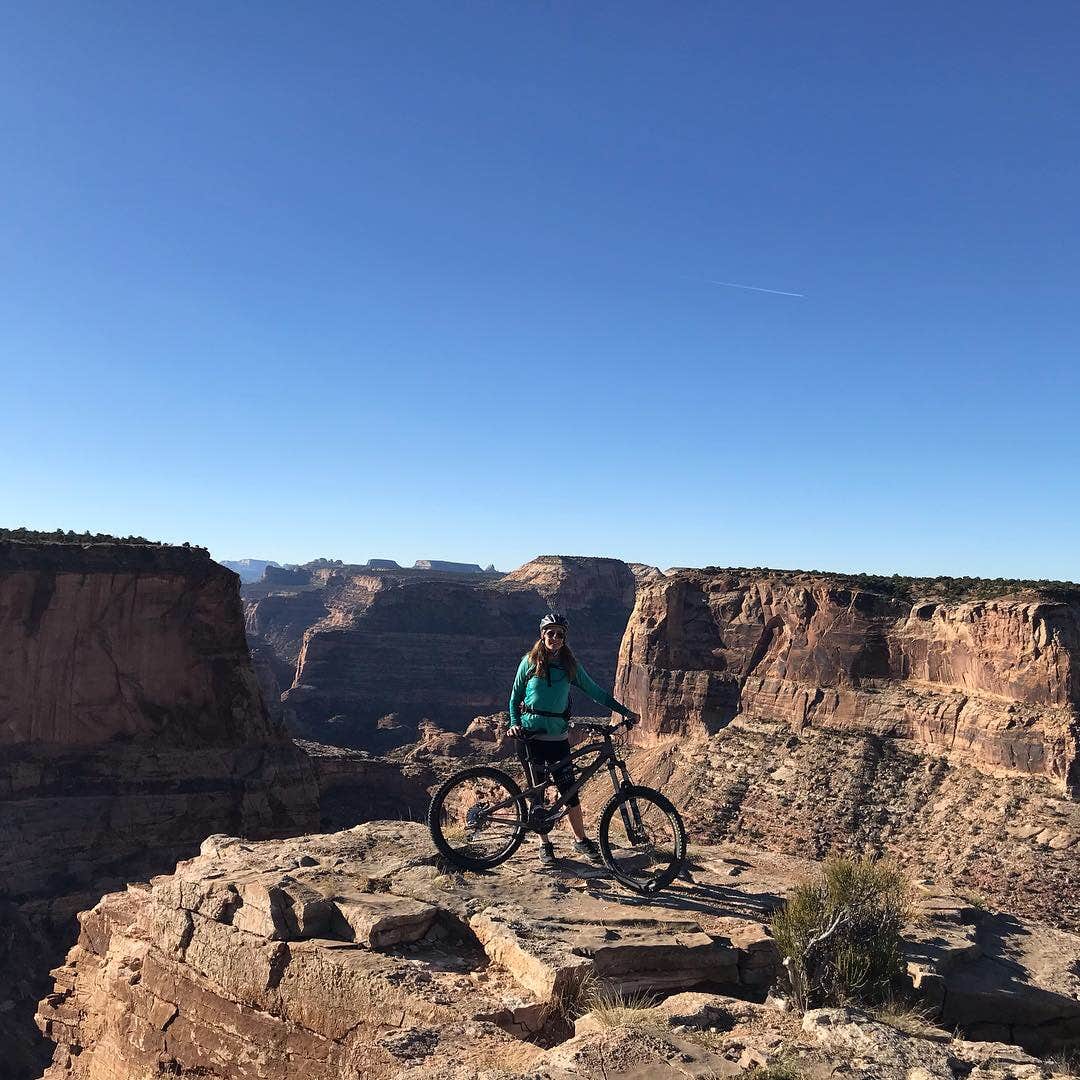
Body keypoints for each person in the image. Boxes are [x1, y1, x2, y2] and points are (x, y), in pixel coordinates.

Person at [507, 612, 637, 868]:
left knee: (569, 791)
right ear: (542, 635)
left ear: (565, 638)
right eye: (550, 633)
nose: (554, 638)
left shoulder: (569, 666)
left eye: (559, 634)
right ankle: (545, 845)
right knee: (539, 793)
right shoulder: (529, 662)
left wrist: (625, 712)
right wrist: (514, 724)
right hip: (530, 737)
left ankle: (581, 840)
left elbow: (596, 692)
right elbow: (514, 698)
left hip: (558, 738)